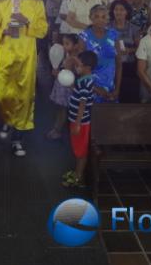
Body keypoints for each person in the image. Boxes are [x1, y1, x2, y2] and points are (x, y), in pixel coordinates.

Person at [0, 0, 48, 157]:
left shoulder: (37, 4)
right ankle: (8, 117)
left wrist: (27, 22)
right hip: (6, 55)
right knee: (0, 93)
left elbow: (43, 30)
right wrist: (3, 31)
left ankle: (17, 139)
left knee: (23, 95)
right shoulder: (3, 4)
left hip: (26, 56)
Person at [61, 50, 97, 189]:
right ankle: (77, 172)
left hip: (81, 123)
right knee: (77, 149)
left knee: (81, 151)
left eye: (79, 65)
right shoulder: (84, 79)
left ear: (87, 67)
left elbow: (82, 104)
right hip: (77, 120)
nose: (77, 68)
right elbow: (75, 89)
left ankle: (78, 178)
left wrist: (77, 123)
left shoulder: (86, 82)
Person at [47, 34, 80, 140]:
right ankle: (57, 128)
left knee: (64, 109)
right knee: (60, 108)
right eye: (63, 43)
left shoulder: (75, 59)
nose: (64, 46)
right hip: (61, 86)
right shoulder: (64, 54)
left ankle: (58, 130)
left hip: (68, 88)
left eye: (67, 44)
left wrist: (59, 73)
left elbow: (71, 75)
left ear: (75, 46)